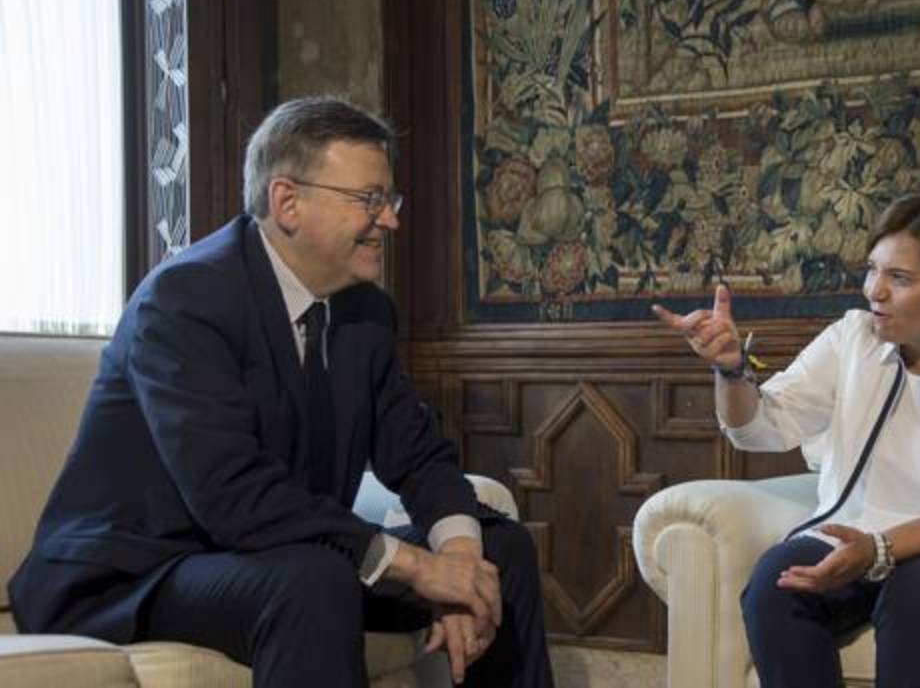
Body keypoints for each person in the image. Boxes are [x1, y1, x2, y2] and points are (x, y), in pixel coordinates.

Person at [7, 96, 554, 688]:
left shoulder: (366, 312)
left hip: (271, 553)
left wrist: (459, 563)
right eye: (369, 200)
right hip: (139, 571)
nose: (390, 219)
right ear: (287, 201)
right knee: (313, 579)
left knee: (501, 548)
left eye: (389, 200)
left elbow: (417, 454)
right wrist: (417, 567)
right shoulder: (186, 300)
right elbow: (233, 494)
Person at [651, 189, 920, 688]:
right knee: (776, 585)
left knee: (919, 587)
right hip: (860, 537)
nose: (873, 291)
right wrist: (732, 372)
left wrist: (881, 548)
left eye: (899, 278)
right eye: (873, 270)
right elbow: (762, 427)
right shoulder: (853, 338)